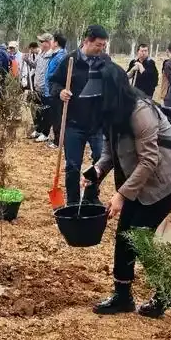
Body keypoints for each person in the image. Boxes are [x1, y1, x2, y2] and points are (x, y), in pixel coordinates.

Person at [78, 63, 171, 317]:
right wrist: (96, 172)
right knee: (125, 235)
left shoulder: (140, 112)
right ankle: (122, 296)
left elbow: (150, 161)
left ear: (112, 91)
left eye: (99, 95)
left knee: (139, 235)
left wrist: (121, 195)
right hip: (140, 180)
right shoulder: (111, 114)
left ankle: (166, 291)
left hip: (167, 179)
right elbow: (109, 154)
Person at [53, 25, 108, 205]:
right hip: (73, 123)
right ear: (86, 41)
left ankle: (91, 195)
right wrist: (61, 91)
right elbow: (53, 82)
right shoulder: (70, 60)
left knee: (100, 160)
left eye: (103, 46)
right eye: (98, 45)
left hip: (97, 124)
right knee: (73, 166)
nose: (101, 49)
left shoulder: (104, 61)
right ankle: (73, 201)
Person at [43, 32, 68, 150]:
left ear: (56, 42)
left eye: (52, 40)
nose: (51, 43)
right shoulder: (55, 55)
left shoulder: (61, 57)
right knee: (55, 116)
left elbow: (57, 75)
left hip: (58, 91)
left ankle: (59, 141)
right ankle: (57, 139)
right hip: (52, 90)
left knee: (58, 117)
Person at [32, 33, 55, 142]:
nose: (40, 44)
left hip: (46, 89)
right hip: (38, 88)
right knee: (37, 111)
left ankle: (45, 133)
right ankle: (38, 130)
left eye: (43, 42)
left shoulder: (52, 55)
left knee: (47, 112)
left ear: (49, 42)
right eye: (40, 41)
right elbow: (36, 67)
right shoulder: (41, 54)